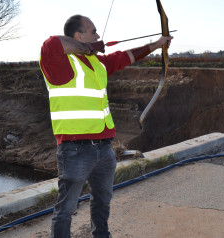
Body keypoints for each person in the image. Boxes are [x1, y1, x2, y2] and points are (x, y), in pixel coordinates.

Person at [39, 14, 173, 238]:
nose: (98, 35)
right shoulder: (59, 63)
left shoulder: (96, 63)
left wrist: (156, 44)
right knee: (66, 209)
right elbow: (52, 43)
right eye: (93, 32)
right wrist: (89, 47)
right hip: (74, 148)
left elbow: (124, 57)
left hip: (104, 148)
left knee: (102, 202)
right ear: (79, 36)